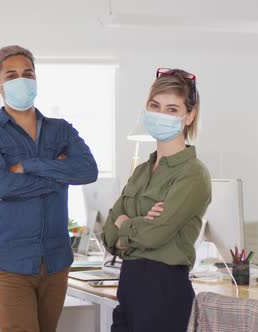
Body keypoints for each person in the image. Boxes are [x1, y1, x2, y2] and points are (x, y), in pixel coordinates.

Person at [0, 45, 98, 332]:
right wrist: (59, 174)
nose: (22, 80)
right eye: (12, 75)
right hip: (10, 260)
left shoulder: (61, 129)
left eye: (28, 73)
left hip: (56, 261)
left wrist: (29, 165)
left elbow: (87, 171)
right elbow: (1, 186)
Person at [102, 68, 212, 332]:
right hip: (128, 286)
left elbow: (155, 235)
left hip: (165, 291)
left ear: (189, 115)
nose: (161, 114)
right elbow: (107, 233)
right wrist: (137, 224)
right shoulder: (142, 170)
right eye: (155, 106)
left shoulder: (193, 174)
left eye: (172, 109)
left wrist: (125, 223)